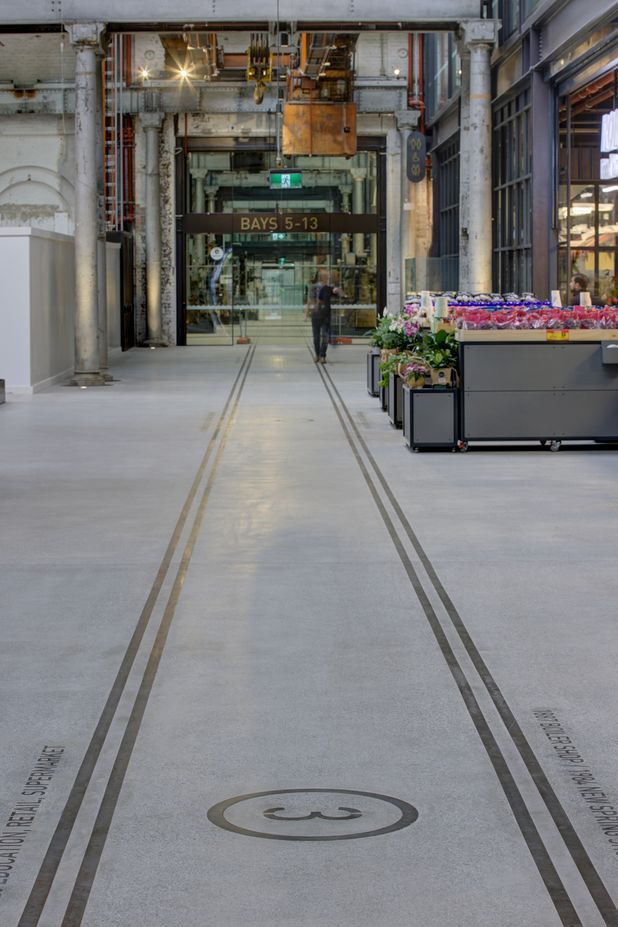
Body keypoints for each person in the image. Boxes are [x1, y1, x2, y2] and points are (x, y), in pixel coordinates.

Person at [306, 269, 342, 364]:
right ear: (321, 277)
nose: (328, 277)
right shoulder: (313, 287)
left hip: (326, 316)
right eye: (326, 276)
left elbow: (338, 293)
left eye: (328, 276)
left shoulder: (329, 288)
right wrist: (308, 312)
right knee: (316, 337)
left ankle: (322, 355)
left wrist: (338, 290)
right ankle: (317, 355)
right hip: (316, 315)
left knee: (325, 337)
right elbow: (310, 300)